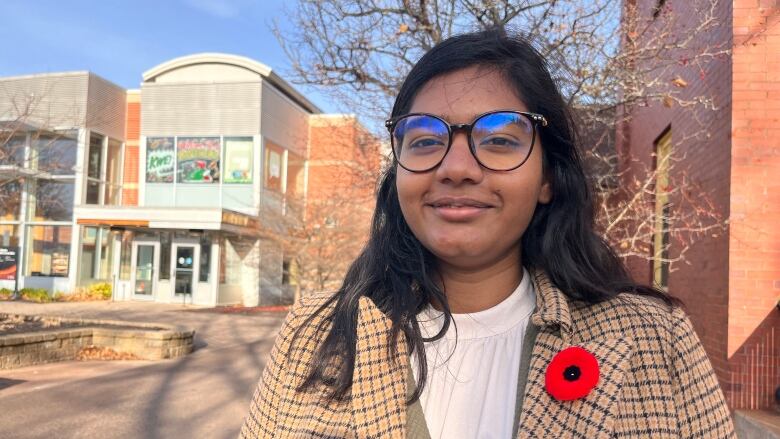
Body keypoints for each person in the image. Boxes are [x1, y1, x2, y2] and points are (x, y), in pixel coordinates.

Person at [239, 28, 736, 439]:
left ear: (547, 177)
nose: (455, 168)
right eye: (426, 138)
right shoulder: (314, 334)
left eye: (499, 139)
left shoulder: (655, 339)